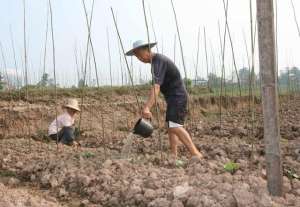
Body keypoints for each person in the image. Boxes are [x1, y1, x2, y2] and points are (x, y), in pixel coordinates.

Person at [126, 40, 203, 159]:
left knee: (174, 125)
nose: (140, 59)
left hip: (177, 96)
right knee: (170, 125)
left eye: (140, 55)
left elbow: (156, 87)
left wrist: (147, 107)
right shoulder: (155, 63)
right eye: (137, 57)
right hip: (172, 98)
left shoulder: (158, 61)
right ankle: (173, 155)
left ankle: (196, 154)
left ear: (147, 50)